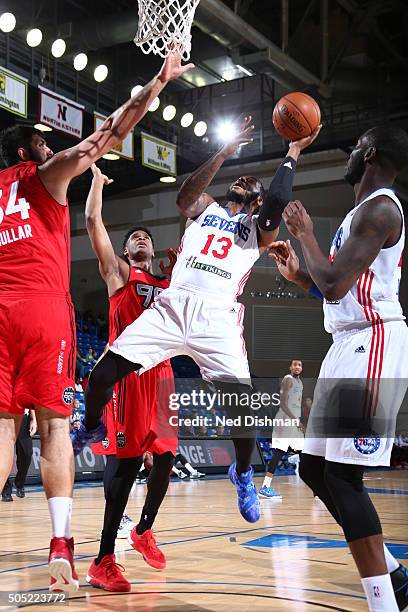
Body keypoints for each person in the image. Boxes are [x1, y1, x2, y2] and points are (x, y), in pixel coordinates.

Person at [0, 49, 193, 592]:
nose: (49, 145)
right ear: (25, 152)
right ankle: (64, 542)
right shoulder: (44, 177)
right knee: (56, 425)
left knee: (4, 430)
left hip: (1, 309)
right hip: (41, 308)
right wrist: (157, 83)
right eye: (41, 141)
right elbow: (104, 135)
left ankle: (129, 534)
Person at [73, 118, 321, 524]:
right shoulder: (206, 209)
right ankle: (91, 425)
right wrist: (223, 154)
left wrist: (292, 152)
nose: (243, 180)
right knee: (99, 378)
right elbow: (185, 195)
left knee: (243, 413)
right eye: (238, 178)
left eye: (251, 185)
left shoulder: (257, 229)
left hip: (217, 318)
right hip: (173, 307)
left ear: (257, 203)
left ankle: (242, 473)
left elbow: (276, 202)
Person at [269, 125, 408, 611]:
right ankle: (392, 572)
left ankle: (385, 603)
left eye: (355, 148)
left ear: (369, 152)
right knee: (313, 469)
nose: (349, 154)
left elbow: (334, 285)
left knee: (345, 479)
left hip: (373, 341)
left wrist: (305, 235)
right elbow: (332, 286)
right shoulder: (362, 212)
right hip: (349, 342)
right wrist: (298, 274)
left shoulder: (381, 209)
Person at [82, 165, 179, 592]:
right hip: (127, 374)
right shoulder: (120, 274)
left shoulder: (166, 281)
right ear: (124, 251)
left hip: (163, 376)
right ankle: (103, 559)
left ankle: (143, 530)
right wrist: (97, 186)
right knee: (122, 468)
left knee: (167, 459)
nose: (142, 238)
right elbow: (91, 222)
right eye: (134, 237)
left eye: (147, 237)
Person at [259, 359, 304, 499]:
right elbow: (284, 404)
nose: (297, 367)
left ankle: (317, 491)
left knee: (305, 452)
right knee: (279, 453)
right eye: (295, 364)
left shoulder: (300, 382)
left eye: (300, 365)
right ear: (290, 367)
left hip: (294, 422)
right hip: (285, 420)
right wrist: (296, 420)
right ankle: (265, 487)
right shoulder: (287, 379)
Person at [2, 409, 37, 501]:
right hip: (4, 416)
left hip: (23, 418)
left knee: (27, 454)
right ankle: (6, 489)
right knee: (3, 455)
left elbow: (30, 399)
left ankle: (20, 483)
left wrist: (34, 419)